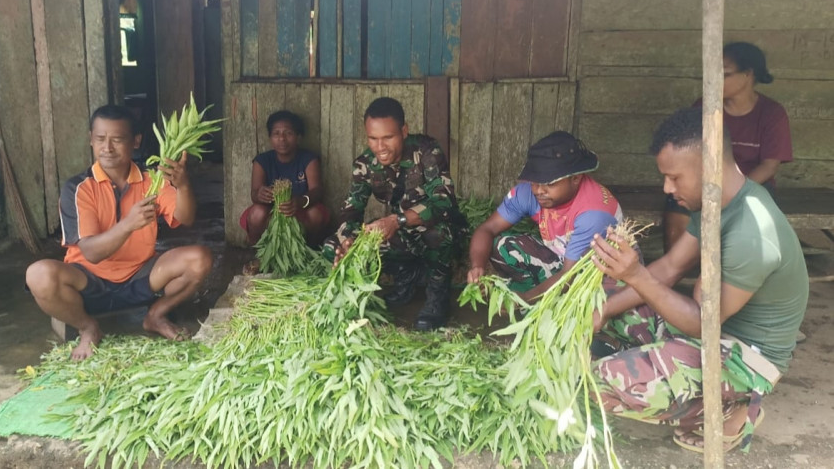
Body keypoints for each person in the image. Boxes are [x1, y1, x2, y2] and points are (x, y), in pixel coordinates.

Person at [590, 108, 808, 453]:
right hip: (707, 326)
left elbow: (700, 323)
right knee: (605, 296)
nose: (667, 187)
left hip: (741, 357)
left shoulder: (752, 234)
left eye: (674, 177)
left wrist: (635, 274)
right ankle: (661, 367)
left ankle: (730, 406)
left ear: (710, 167)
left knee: (598, 384)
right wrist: (600, 310)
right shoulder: (714, 203)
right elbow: (669, 269)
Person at [25, 105, 213, 360]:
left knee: (199, 259)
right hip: (87, 281)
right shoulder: (78, 188)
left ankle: (155, 315)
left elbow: (186, 218)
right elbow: (90, 252)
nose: (108, 147)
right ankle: (88, 326)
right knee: (38, 275)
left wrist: (183, 186)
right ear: (91, 139)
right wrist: (128, 224)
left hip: (140, 274)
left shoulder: (152, 181)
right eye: (101, 139)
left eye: (117, 139)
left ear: (135, 142)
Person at [321, 97, 466, 331]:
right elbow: (351, 210)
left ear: (404, 131)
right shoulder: (365, 164)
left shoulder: (427, 151)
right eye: (373, 139)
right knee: (331, 246)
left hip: (437, 230)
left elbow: (444, 202)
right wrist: (348, 239)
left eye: (388, 137)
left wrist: (396, 220)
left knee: (438, 232)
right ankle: (406, 275)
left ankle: (437, 297)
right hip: (401, 235)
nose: (380, 147)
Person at [665, 41, 793, 250]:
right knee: (676, 201)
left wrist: (732, 192)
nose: (715, 80)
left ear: (748, 74)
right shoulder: (702, 107)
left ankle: (733, 275)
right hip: (706, 184)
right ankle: (679, 271)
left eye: (724, 74)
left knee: (745, 228)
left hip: (753, 185)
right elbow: (688, 157)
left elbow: (769, 166)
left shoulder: (772, 113)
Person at [467, 131, 623, 301]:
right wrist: (477, 267)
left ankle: (534, 302)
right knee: (503, 246)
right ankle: (533, 297)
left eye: (550, 183)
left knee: (584, 299)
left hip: (591, 274)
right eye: (535, 182)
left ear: (576, 178)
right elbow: (487, 229)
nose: (539, 190)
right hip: (561, 258)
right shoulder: (528, 193)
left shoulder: (593, 214)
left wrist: (523, 300)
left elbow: (569, 277)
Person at [240, 110, 330, 273]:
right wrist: (260, 195)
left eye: (288, 133)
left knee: (317, 213)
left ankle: (306, 253)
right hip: (273, 216)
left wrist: (300, 202)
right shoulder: (262, 161)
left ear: (298, 137)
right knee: (257, 213)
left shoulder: (308, 159)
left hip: (299, 211)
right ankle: (260, 254)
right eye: (276, 133)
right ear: (270, 137)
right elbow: (254, 194)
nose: (282, 139)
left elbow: (317, 191)